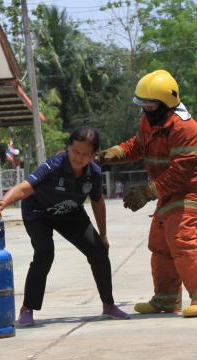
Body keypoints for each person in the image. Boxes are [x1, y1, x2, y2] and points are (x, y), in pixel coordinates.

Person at [0, 127, 129, 326]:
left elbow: (98, 202)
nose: (79, 158)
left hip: (70, 212)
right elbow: (25, 187)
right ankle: (27, 308)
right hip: (38, 212)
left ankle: (108, 305)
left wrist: (103, 234)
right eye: (76, 152)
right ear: (68, 148)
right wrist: (4, 201)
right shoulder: (52, 167)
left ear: (94, 154)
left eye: (85, 154)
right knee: (45, 253)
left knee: (98, 250)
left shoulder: (94, 174)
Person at [100, 70, 197, 318]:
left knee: (183, 241)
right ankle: (165, 300)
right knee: (160, 245)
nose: (144, 109)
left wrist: (147, 191)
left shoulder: (185, 128)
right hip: (168, 194)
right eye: (142, 104)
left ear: (165, 103)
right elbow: (138, 145)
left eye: (149, 104)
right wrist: (115, 153)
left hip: (189, 193)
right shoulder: (150, 122)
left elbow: (181, 172)